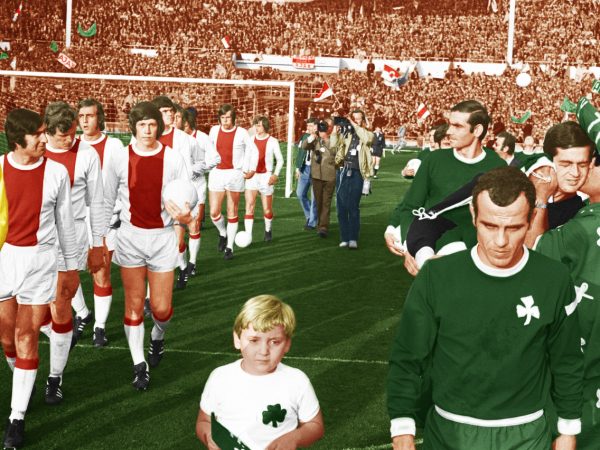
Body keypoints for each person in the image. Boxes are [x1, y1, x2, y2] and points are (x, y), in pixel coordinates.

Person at [388, 166, 583, 450]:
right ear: (473, 215)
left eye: (514, 228)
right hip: (449, 432)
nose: (501, 241)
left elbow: (566, 360)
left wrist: (567, 430)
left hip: (527, 434)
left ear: (531, 219)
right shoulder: (436, 277)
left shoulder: (554, 279)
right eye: (490, 226)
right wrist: (402, 428)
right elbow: (408, 357)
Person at [0, 109, 79, 448]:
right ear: (18, 140)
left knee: (26, 335)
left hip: (42, 260)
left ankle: (16, 418)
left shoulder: (56, 172)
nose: (45, 139)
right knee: (7, 339)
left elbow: (66, 223)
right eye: (38, 134)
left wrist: (71, 268)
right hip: (5, 260)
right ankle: (25, 380)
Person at [103, 102, 193, 390]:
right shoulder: (119, 157)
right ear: (133, 127)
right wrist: (101, 239)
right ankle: (139, 364)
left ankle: (157, 336)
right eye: (141, 124)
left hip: (163, 238)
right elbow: (106, 200)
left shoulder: (173, 158)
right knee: (133, 305)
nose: (147, 130)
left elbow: (186, 198)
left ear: (159, 126)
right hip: (130, 237)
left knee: (161, 309)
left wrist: (183, 221)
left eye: (152, 124)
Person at [531, 125, 599, 450]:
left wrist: (541, 199)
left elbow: (533, 254)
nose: (577, 172)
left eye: (585, 164)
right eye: (567, 164)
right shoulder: (580, 211)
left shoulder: (584, 222)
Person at [385, 100, 505, 269]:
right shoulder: (435, 159)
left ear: (477, 130)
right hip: (429, 248)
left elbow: (501, 219)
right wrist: (409, 245)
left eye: (457, 126)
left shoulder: (498, 167)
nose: (448, 131)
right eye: (450, 124)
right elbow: (410, 206)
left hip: (474, 258)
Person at [196, 295, 324, 449]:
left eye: (275, 342)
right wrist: (208, 436)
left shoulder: (297, 380)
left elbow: (315, 425)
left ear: (287, 344)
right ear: (237, 339)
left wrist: (295, 438)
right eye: (254, 340)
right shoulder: (220, 377)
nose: (264, 351)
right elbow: (204, 421)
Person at [42, 101, 105, 404]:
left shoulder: (87, 154)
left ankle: (55, 377)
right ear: (47, 133)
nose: (68, 139)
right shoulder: (36, 151)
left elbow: (97, 202)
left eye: (71, 133)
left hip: (73, 236)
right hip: (36, 239)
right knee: (35, 310)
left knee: (59, 303)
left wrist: (98, 244)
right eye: (61, 136)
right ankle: (61, 334)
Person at [77, 98, 125, 347]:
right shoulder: (73, 145)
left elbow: (125, 180)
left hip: (105, 218)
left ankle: (99, 327)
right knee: (65, 272)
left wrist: (119, 210)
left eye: (90, 115)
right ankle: (83, 312)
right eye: (81, 116)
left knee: (101, 274)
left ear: (100, 118)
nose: (85, 120)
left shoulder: (114, 145)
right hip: (75, 218)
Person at [208, 104, 258, 260]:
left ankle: (229, 247)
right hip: (217, 173)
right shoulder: (213, 130)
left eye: (228, 117)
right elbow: (208, 150)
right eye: (222, 117)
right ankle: (223, 233)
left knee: (232, 210)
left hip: (234, 175)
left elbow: (253, 150)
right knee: (214, 212)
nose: (225, 121)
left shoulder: (242, 133)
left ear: (233, 118)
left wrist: (251, 169)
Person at [182, 108, 215, 277]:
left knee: (194, 225)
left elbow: (215, 158)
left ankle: (192, 263)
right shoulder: (176, 138)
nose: (182, 127)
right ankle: (181, 263)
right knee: (177, 230)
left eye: (184, 124)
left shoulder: (202, 138)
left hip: (197, 186)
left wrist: (199, 169)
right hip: (178, 188)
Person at [335, 111, 374, 249]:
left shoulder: (368, 133)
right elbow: (334, 145)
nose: (356, 121)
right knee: (341, 206)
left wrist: (353, 124)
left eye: (358, 119)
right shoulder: (347, 134)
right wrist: (336, 131)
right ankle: (344, 237)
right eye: (354, 119)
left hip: (358, 173)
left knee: (353, 206)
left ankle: (353, 238)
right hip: (343, 171)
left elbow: (367, 139)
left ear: (363, 120)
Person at [243, 116, 283, 243]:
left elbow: (280, 160)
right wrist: (245, 171)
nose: (256, 127)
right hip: (252, 177)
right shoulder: (250, 140)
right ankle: (248, 236)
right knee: (249, 206)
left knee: (267, 210)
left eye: (259, 125)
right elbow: (246, 157)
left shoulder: (273, 141)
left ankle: (268, 229)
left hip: (266, 177)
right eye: (256, 125)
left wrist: (275, 175)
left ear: (265, 127)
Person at [302, 118, 342, 238]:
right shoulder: (315, 141)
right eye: (320, 130)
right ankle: (320, 223)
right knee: (318, 202)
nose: (321, 133)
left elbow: (335, 152)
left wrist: (327, 140)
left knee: (326, 202)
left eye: (323, 130)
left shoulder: (333, 140)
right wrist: (312, 136)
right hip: (316, 176)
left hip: (329, 176)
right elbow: (304, 146)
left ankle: (323, 227)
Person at [295, 118, 318, 230]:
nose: (308, 128)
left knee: (315, 198)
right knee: (300, 194)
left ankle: (312, 222)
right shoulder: (305, 137)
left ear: (316, 126)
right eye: (307, 125)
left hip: (317, 170)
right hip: (305, 169)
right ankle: (309, 216)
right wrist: (297, 168)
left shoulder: (321, 138)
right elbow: (300, 152)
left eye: (311, 125)